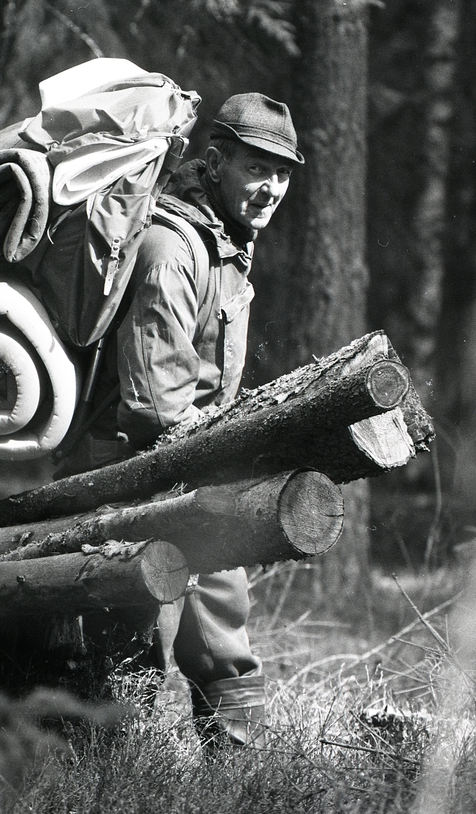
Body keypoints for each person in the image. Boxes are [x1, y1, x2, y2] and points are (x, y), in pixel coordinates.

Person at [69, 92, 303, 746]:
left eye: (282, 173)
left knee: (224, 635)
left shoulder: (226, 248)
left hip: (189, 464)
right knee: (132, 643)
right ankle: (111, 791)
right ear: (214, 162)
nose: (272, 188)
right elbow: (154, 405)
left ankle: (237, 784)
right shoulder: (173, 251)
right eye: (258, 169)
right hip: (130, 471)